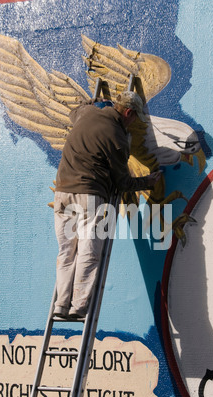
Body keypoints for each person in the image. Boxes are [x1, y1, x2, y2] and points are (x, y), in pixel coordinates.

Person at [53, 91, 162, 320]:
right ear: (128, 112)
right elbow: (122, 182)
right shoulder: (117, 137)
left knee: (66, 253)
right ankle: (78, 307)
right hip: (90, 196)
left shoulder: (87, 113)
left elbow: (75, 111)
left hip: (63, 193)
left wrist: (91, 102)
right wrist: (148, 182)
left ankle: (60, 305)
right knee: (89, 253)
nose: (133, 124)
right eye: (134, 119)